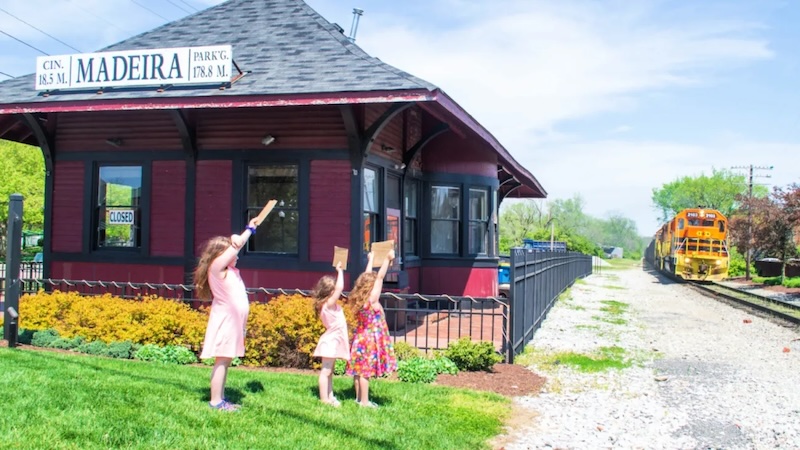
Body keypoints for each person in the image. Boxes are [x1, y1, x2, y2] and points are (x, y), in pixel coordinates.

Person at [195, 218, 259, 411]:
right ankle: (215, 401)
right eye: (231, 252)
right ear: (220, 255)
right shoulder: (217, 270)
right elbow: (235, 247)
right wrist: (248, 230)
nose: (236, 255)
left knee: (226, 359)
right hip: (226, 323)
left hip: (233, 324)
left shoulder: (230, 271)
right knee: (222, 360)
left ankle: (220, 397)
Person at [346, 249, 398, 408]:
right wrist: (387, 260)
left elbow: (366, 277)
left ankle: (358, 397)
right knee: (365, 372)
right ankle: (364, 401)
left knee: (358, 370)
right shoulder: (372, 300)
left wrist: (371, 259)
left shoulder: (359, 299)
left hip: (360, 338)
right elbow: (380, 277)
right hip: (369, 340)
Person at [311, 262, 347, 407]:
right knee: (325, 371)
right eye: (333, 290)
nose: (336, 292)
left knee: (329, 371)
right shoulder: (328, 304)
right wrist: (340, 271)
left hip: (333, 341)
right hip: (330, 342)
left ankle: (330, 395)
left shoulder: (326, 304)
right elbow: (340, 287)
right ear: (329, 292)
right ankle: (324, 399)